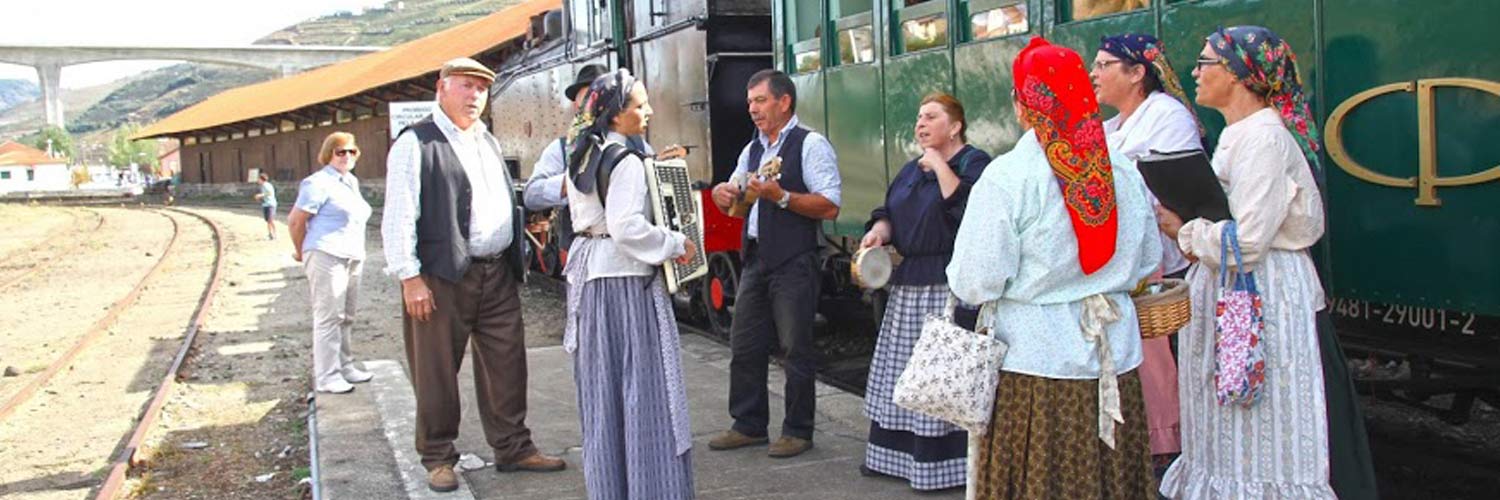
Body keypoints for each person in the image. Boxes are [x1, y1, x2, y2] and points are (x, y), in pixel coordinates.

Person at [947, 37, 1161, 499]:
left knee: (1039, 480)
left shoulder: (1009, 177)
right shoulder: (1121, 170)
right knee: (1111, 480)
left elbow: (973, 279)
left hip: (1035, 365)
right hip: (1115, 360)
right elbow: (1149, 259)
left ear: (1025, 105)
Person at [1156, 26, 1338, 499]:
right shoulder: (1241, 133)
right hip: (1237, 287)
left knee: (1256, 414)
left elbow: (1251, 240)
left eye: (1205, 62)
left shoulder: (1263, 139)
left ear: (1238, 73)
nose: (1194, 72)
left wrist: (1186, 231)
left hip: (1261, 290)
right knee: (1231, 410)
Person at [380, 57, 565, 493]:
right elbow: (399, 216)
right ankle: (439, 456)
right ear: (441, 88)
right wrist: (409, 277)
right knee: (437, 369)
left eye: (481, 89)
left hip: (496, 270)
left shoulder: (487, 140)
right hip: (442, 275)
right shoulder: (416, 143)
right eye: (465, 86)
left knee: (508, 363)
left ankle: (513, 447)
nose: (474, 96)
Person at [562, 68, 698, 500]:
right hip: (624, 285)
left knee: (605, 399)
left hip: (591, 284)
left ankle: (610, 488)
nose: (648, 111)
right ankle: (651, 489)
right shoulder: (627, 161)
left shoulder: (582, 156)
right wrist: (676, 242)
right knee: (646, 395)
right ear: (615, 115)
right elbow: (625, 228)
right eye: (639, 105)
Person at [856, 92, 990, 491]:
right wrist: (880, 232)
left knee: (942, 374)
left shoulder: (974, 163)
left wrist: (938, 165)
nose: (921, 123)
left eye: (931, 117)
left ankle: (942, 466)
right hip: (910, 280)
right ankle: (896, 458)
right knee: (904, 371)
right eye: (918, 117)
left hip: (948, 281)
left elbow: (970, 211)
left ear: (955, 126)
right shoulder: (912, 168)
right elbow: (889, 211)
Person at [708, 69, 841, 458]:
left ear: (784, 102)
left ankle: (798, 431)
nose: (752, 109)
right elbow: (737, 207)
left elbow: (831, 203)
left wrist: (781, 196)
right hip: (755, 258)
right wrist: (723, 194)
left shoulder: (811, 144)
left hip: (794, 259)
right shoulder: (752, 151)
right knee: (744, 344)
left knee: (795, 348)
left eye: (760, 101)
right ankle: (748, 424)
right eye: (750, 102)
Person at [1091, 32, 1202, 469]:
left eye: (1103, 65)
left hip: (1158, 273)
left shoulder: (1167, 117)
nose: (1093, 74)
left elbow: (1163, 191)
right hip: (1121, 267)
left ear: (1137, 73)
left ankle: (1166, 453)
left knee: (1158, 371)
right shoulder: (1112, 126)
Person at [288, 132, 373, 394]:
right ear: (328, 154)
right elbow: (295, 221)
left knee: (346, 316)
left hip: (351, 254)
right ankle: (327, 375)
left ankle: (345, 366)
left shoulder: (351, 182)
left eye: (351, 151)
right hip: (326, 253)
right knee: (328, 317)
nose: (346, 156)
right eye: (340, 152)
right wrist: (301, 251)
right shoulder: (317, 183)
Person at [254, 173, 278, 240]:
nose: (257, 181)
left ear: (262, 179)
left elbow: (269, 193)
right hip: (266, 204)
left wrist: (260, 195)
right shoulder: (262, 186)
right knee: (268, 221)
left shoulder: (266, 185)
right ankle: (270, 234)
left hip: (270, 204)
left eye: (258, 179)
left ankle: (274, 234)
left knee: (270, 220)